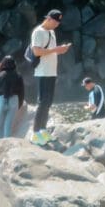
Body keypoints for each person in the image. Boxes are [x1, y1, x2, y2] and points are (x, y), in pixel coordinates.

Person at [30, 9, 72, 146]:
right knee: (42, 102)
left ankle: (43, 130)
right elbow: (36, 51)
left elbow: (50, 52)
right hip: (42, 72)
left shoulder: (51, 32)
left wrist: (61, 50)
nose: (57, 25)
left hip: (51, 72)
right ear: (48, 19)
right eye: (55, 22)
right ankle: (35, 133)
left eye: (58, 23)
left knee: (48, 102)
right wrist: (56, 50)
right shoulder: (38, 32)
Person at [0, 56, 25, 139]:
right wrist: (20, 104)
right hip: (14, 100)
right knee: (8, 127)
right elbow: (21, 92)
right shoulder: (18, 75)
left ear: (3, 63)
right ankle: (6, 148)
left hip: (1, 99)